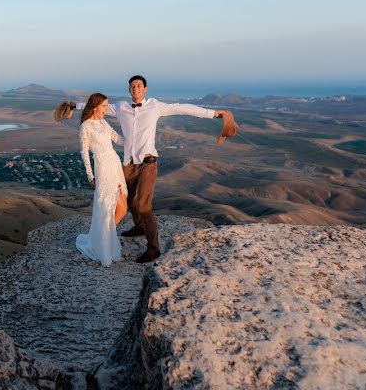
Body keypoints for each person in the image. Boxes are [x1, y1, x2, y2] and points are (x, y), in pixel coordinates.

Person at [58, 75, 235, 263]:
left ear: (145, 89)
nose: (135, 88)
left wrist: (214, 113)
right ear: (129, 90)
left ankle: (153, 249)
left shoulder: (155, 106)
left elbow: (183, 108)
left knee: (143, 205)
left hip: (147, 163)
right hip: (127, 163)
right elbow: (94, 106)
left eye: (139, 86)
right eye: (132, 86)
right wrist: (73, 105)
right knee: (129, 201)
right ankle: (139, 227)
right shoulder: (120, 108)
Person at [70, 93, 129, 266]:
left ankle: (104, 238)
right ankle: (101, 244)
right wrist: (90, 175)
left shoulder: (103, 122)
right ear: (95, 106)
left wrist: (135, 140)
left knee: (122, 207)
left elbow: (118, 139)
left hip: (115, 164)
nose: (106, 109)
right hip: (102, 167)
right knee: (106, 206)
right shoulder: (85, 126)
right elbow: (84, 153)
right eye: (104, 106)